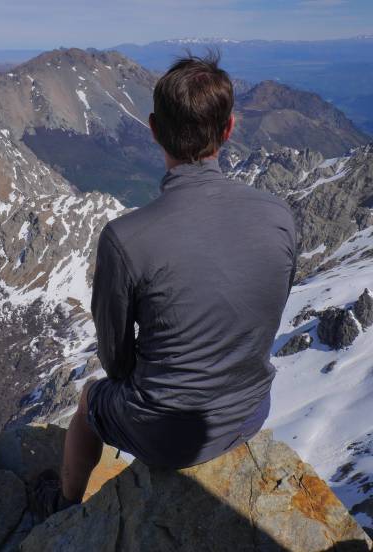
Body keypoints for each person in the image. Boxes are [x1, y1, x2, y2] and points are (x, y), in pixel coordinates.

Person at [40, 53, 298, 514]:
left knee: (88, 401)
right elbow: (268, 308)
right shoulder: (278, 216)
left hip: (169, 436)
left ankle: (62, 505)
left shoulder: (125, 239)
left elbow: (116, 361)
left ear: (154, 129)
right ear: (229, 129)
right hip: (250, 409)